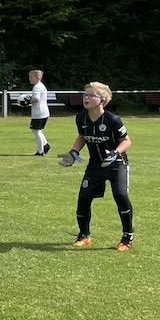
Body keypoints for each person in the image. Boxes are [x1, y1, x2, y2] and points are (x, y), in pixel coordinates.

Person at [58, 82, 135, 251]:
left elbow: (126, 141)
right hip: (95, 165)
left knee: (121, 195)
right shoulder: (81, 118)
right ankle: (84, 235)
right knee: (83, 199)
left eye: (91, 95)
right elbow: (82, 136)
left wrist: (115, 153)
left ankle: (127, 236)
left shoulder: (113, 120)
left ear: (102, 100)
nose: (86, 98)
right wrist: (73, 152)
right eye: (85, 95)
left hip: (116, 164)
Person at [28, 70, 52, 156]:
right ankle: (45, 145)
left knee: (36, 130)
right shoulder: (41, 86)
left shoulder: (37, 87)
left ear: (37, 78)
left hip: (39, 112)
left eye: (31, 77)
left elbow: (36, 99)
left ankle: (40, 151)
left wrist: (28, 101)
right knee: (37, 130)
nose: (29, 79)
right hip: (43, 111)